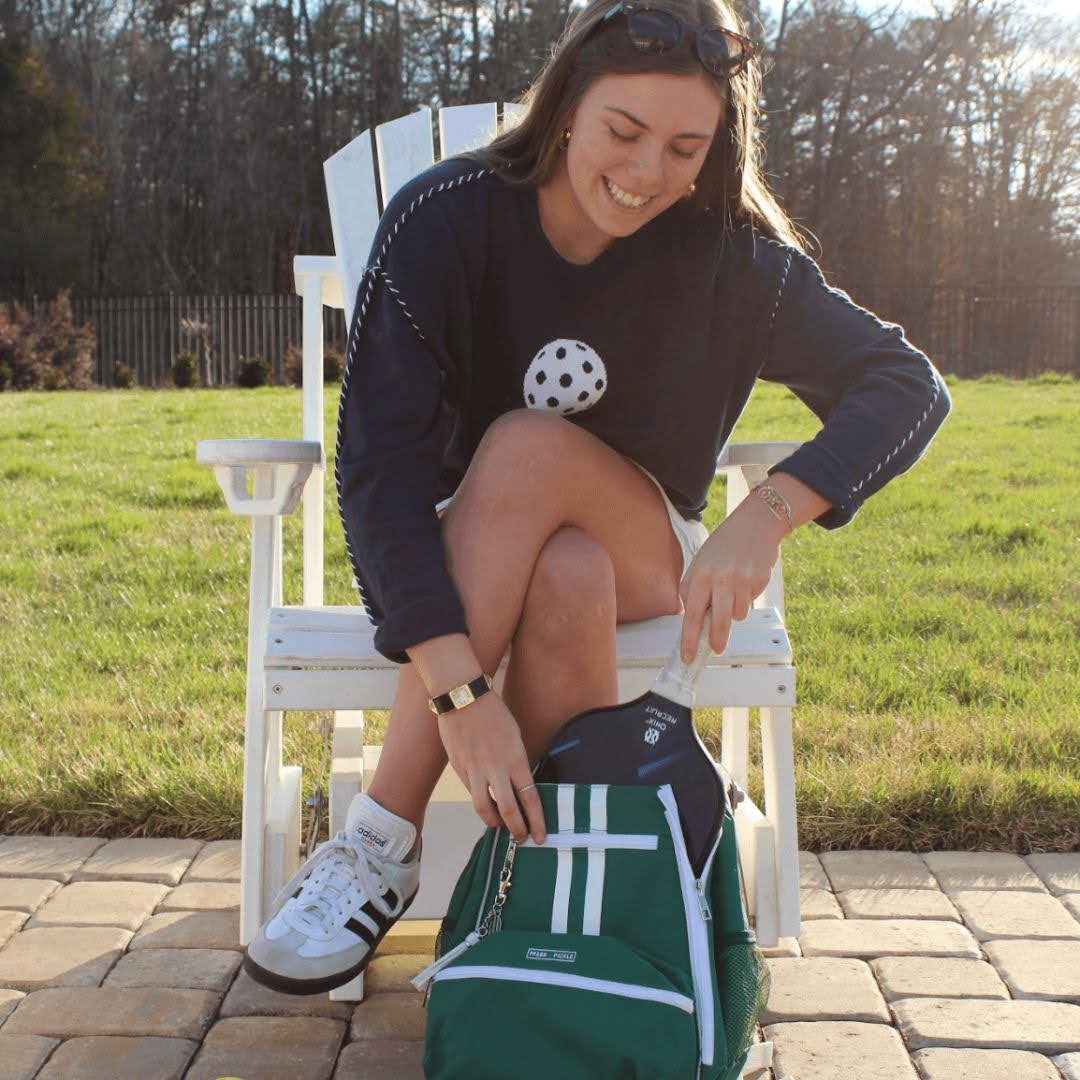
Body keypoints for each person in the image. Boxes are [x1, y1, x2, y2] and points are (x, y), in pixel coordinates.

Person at [243, 0, 952, 995]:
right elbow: (378, 466)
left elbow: (908, 387)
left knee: (528, 449)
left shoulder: (730, 259)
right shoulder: (445, 218)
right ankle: (545, 905)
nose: (648, 171)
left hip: (650, 548)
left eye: (686, 148)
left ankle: (379, 840)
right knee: (561, 566)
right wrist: (460, 695)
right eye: (625, 131)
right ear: (570, 98)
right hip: (470, 555)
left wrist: (770, 512)